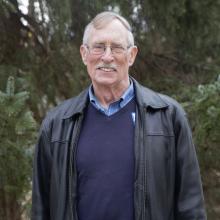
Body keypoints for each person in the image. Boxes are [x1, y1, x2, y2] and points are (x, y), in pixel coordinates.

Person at [31, 11, 207, 220]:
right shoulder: (57, 123)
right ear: (84, 54)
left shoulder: (168, 116)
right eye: (98, 47)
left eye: (116, 47)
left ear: (131, 55)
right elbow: (41, 208)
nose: (107, 56)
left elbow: (190, 205)